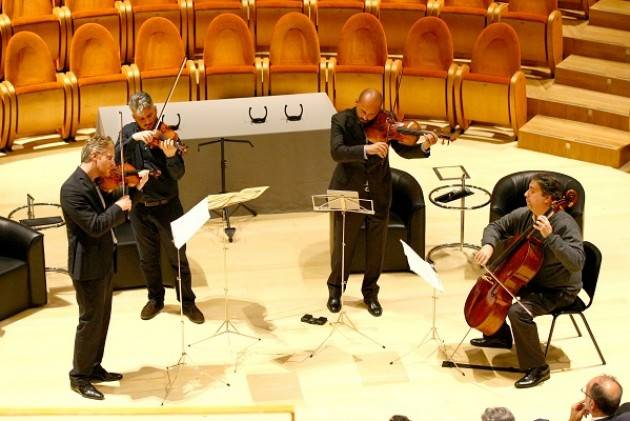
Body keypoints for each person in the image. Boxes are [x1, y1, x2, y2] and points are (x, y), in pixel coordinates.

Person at [325, 88, 436, 317]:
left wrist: (423, 147)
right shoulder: (341, 120)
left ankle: (370, 293)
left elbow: (404, 149)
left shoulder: (386, 121)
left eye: (371, 114)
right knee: (344, 244)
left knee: (377, 247)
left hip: (379, 190)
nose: (366, 117)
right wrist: (367, 149)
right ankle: (336, 290)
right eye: (363, 111)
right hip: (349, 189)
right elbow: (337, 152)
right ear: (356, 102)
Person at [471, 173, 585, 388]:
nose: (525, 193)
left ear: (548, 199)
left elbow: (576, 262)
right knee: (496, 289)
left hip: (558, 289)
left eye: (532, 190)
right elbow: (496, 227)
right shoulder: (526, 215)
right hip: (532, 280)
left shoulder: (564, 224)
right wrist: (489, 244)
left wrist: (551, 238)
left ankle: (538, 368)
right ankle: (500, 336)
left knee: (518, 312)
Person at [116, 91, 204, 324]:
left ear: (156, 110)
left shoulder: (167, 135)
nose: (148, 121)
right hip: (140, 208)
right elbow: (116, 161)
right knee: (147, 258)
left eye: (150, 115)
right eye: (142, 117)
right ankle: (155, 299)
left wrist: (171, 156)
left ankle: (188, 301)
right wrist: (133, 140)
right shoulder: (127, 133)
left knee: (178, 256)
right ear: (133, 116)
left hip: (168, 206)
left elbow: (179, 174)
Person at [60, 136, 132, 400]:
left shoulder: (95, 182)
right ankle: (78, 377)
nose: (114, 163)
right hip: (86, 267)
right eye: (110, 158)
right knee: (90, 321)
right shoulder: (71, 190)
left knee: (102, 320)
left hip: (102, 261)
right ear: (94, 157)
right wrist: (118, 207)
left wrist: (134, 189)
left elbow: (116, 204)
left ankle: (93, 367)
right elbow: (95, 225)